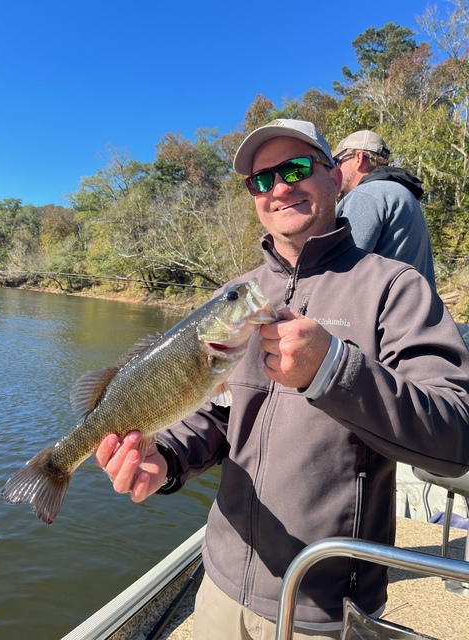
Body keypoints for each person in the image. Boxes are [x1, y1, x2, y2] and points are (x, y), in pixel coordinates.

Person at [94, 119, 469, 640]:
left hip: (323, 608)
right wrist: (167, 459)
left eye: (295, 168)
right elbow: (217, 414)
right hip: (221, 587)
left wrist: (335, 369)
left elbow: (457, 436)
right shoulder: (237, 296)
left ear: (335, 177)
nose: (279, 187)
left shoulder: (394, 288)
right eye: (260, 180)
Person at [332, 129, 436, 287]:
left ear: (358, 158)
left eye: (337, 161)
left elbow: (340, 272)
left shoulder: (367, 195)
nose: (335, 169)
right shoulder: (402, 194)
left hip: (385, 310)